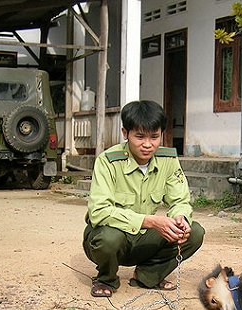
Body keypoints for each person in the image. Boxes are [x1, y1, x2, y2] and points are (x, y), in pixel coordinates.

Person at [83, 100, 205, 297]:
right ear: (125, 134)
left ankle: (147, 276)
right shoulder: (108, 161)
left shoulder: (169, 161)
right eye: (139, 137)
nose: (147, 144)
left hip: (142, 238)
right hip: (109, 238)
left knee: (194, 232)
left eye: (154, 137)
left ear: (161, 135)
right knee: (109, 238)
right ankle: (106, 278)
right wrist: (150, 221)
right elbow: (99, 212)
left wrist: (180, 218)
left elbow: (179, 201)